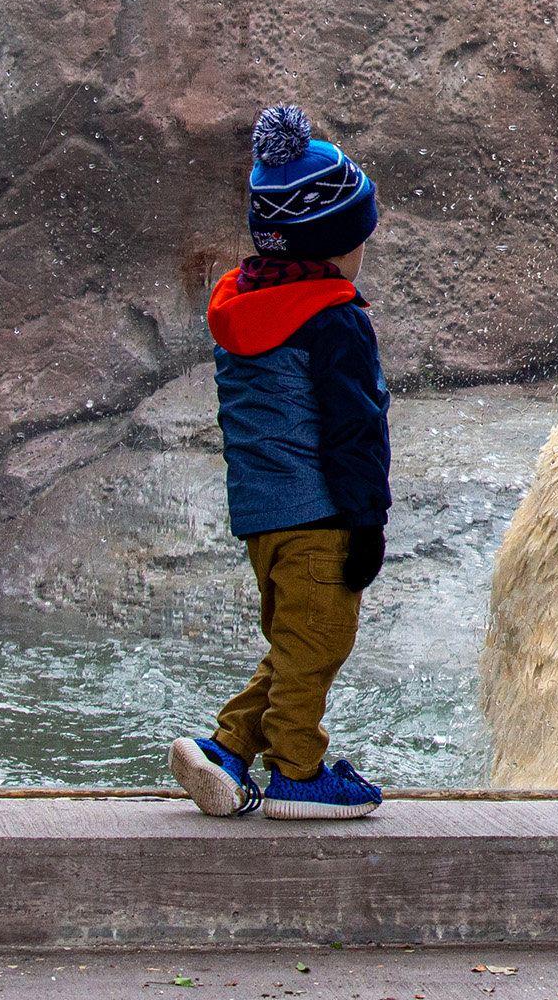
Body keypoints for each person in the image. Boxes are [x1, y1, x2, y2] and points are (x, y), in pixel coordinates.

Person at [168, 104, 389, 819]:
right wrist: (366, 522)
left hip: (262, 519)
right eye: (359, 235)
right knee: (322, 640)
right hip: (323, 514)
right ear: (332, 244)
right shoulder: (335, 320)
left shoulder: (242, 309)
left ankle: (228, 749)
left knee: (297, 641)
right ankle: (298, 771)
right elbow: (353, 430)